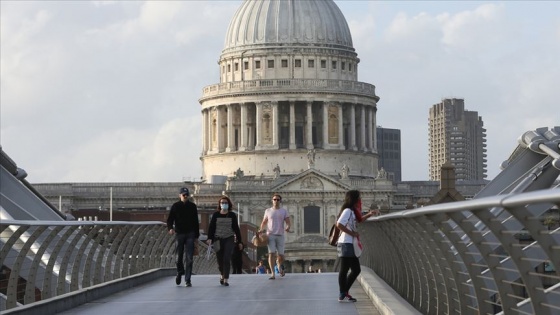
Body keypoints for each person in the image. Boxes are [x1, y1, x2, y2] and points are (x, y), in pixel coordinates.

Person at [336, 190, 379, 302]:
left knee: (354, 269)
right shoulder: (347, 211)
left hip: (350, 243)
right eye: (359, 198)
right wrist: (352, 233)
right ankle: (342, 292)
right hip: (346, 242)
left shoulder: (353, 211)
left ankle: (344, 292)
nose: (360, 200)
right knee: (346, 269)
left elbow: (358, 221)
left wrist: (369, 214)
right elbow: (339, 224)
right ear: (354, 199)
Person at [167, 187, 200, 287]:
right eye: (183, 195)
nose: (185, 196)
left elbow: (196, 222)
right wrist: (170, 228)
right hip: (179, 234)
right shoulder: (175, 206)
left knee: (189, 257)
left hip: (190, 234)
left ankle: (188, 279)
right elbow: (170, 219)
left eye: (187, 195)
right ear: (180, 195)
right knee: (178, 257)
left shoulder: (193, 206)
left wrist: (196, 235)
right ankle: (179, 272)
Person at [207, 196, 242, 286]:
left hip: (229, 238)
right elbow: (211, 227)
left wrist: (239, 241)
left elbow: (236, 229)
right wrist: (209, 238)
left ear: (228, 204)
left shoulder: (232, 215)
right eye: (222, 203)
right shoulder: (216, 215)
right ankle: (222, 274)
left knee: (226, 258)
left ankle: (226, 279)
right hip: (217, 239)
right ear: (219, 204)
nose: (224, 204)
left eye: (225, 203)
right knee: (219, 259)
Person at [258, 193, 290, 280]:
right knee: (271, 253)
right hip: (270, 234)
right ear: (272, 201)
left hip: (280, 235)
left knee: (281, 255)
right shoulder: (268, 211)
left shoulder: (284, 211)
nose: (276, 201)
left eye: (278, 199)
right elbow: (264, 222)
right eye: (274, 199)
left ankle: (279, 264)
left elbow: (288, 222)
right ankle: (273, 273)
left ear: (280, 201)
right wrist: (261, 229)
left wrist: (288, 227)